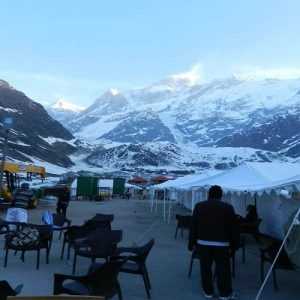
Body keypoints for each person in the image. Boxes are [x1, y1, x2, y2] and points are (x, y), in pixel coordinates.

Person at [189, 185, 240, 300]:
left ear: (209, 194)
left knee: (205, 269)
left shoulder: (199, 206)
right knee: (223, 270)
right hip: (222, 245)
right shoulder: (228, 207)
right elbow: (234, 228)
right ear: (221, 195)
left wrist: (191, 244)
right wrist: (235, 245)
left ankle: (208, 292)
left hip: (203, 243)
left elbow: (193, 226)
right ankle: (224, 294)